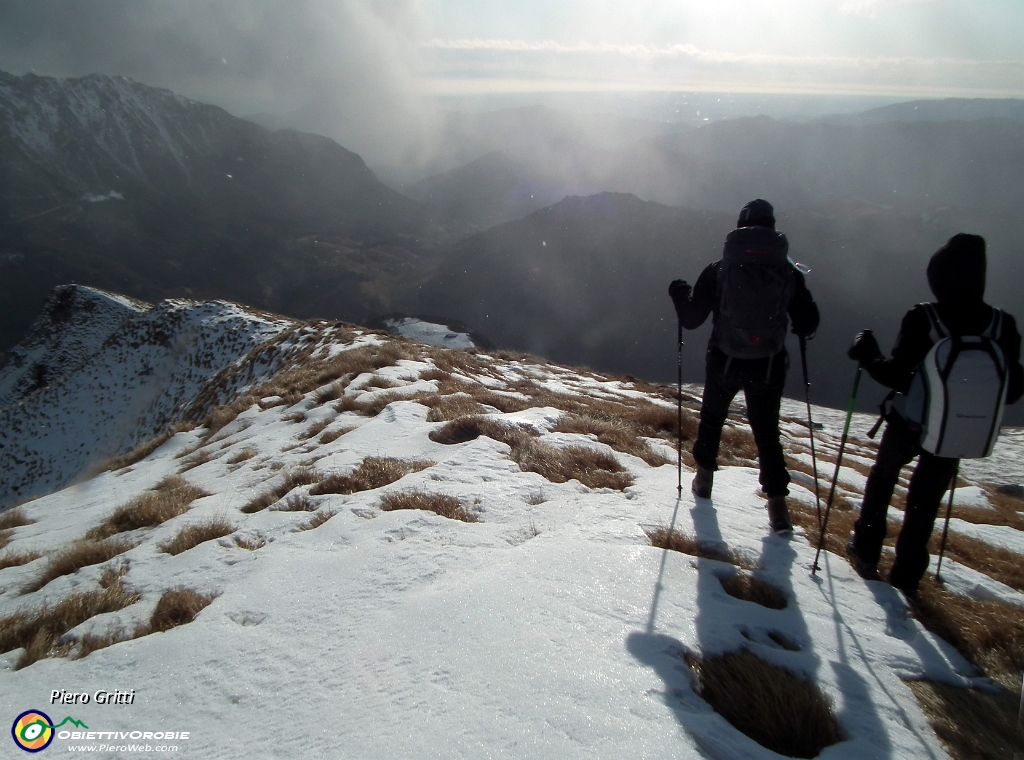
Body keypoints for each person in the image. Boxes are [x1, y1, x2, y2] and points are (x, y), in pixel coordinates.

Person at [846, 233, 1023, 594]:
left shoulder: (925, 317)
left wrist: (868, 354)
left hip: (909, 422)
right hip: (955, 429)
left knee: (882, 479)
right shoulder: (1002, 325)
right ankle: (908, 571)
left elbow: (897, 376)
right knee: (925, 498)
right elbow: (1014, 388)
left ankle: (866, 549)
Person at [669, 199, 819, 534]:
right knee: (767, 433)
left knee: (712, 418)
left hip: (725, 359)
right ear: (772, 228)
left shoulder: (719, 269)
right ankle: (778, 507)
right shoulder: (788, 272)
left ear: (739, 228)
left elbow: (692, 319)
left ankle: (703, 481)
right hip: (768, 364)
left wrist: (679, 293)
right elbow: (808, 322)